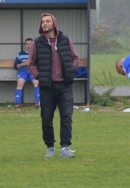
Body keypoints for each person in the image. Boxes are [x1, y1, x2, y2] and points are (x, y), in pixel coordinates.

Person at [28, 13, 79, 159]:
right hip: (47, 87)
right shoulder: (36, 43)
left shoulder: (65, 40)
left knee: (66, 117)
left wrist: (71, 68)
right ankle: (50, 146)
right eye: (43, 22)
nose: (44, 24)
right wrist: (39, 75)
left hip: (65, 86)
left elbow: (75, 58)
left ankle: (65, 148)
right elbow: (30, 64)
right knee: (46, 118)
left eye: (47, 21)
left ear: (54, 23)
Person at [13, 38, 40, 108]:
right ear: (25, 45)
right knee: (20, 83)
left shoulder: (36, 53)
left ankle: (38, 102)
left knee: (36, 82)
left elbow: (41, 64)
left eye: (30, 43)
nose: (28, 45)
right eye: (27, 44)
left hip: (33, 71)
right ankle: (17, 103)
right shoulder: (20, 54)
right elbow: (15, 66)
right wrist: (23, 64)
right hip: (23, 71)